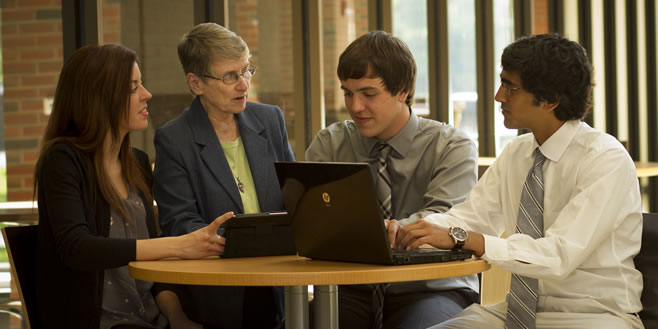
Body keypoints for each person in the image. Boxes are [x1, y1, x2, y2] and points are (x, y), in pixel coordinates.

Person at [396, 33, 644, 329]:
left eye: (510, 87)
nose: (499, 96)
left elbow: (558, 255)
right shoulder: (516, 153)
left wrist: (466, 238)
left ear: (550, 99)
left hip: (594, 317)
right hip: (516, 312)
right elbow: (469, 218)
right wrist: (411, 231)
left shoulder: (605, 159)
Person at [34, 44, 233, 329]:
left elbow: (154, 273)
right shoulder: (63, 160)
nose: (147, 94)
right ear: (98, 98)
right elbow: (77, 248)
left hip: (150, 320)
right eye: (133, 87)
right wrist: (179, 245)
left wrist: (177, 318)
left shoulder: (137, 162)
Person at [305, 31, 479, 329]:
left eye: (368, 94)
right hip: (349, 287)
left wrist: (377, 231)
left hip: (429, 288)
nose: (355, 106)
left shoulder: (451, 147)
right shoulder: (330, 143)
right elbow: (311, 221)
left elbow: (444, 220)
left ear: (403, 91)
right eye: (348, 93)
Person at [153, 23, 294, 329]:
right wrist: (244, 242)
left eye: (246, 71)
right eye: (230, 76)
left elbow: (295, 197)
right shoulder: (174, 139)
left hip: (281, 283)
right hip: (219, 291)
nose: (244, 85)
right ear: (196, 83)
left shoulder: (270, 120)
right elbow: (179, 221)